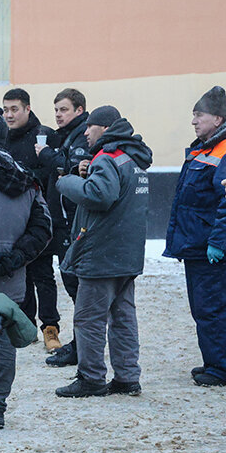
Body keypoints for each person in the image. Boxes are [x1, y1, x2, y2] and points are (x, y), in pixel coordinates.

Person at [54, 105, 151, 398]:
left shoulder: (107, 157)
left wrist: (65, 180)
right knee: (123, 317)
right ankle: (127, 377)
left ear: (105, 129)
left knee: (88, 318)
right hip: (127, 253)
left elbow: (99, 195)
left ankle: (91, 378)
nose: (85, 132)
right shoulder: (133, 158)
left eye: (90, 127)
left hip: (102, 253)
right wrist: (87, 171)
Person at [164, 86, 226, 388]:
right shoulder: (208, 147)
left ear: (217, 118)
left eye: (199, 115)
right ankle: (215, 363)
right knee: (205, 307)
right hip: (201, 245)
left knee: (215, 306)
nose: (194, 121)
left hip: (216, 248)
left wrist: (219, 242)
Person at [0, 109, 51, 429]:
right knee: (1, 343)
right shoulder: (27, 178)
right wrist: (15, 257)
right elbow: (43, 228)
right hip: (13, 278)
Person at [2, 88, 60, 352]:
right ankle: (25, 324)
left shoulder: (45, 136)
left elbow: (51, 173)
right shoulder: (2, 137)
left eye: (14, 109)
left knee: (43, 274)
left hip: (39, 217)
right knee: (20, 275)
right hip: (11, 218)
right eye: (5, 110)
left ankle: (50, 328)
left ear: (27, 109)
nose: (9, 115)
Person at [38, 88, 90, 367]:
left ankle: (84, 346)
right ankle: (80, 343)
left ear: (79, 110)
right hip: (63, 221)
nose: (58, 115)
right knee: (71, 282)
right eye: (56, 110)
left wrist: (48, 154)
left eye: (64, 110)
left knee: (75, 283)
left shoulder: (82, 135)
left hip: (73, 223)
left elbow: (70, 168)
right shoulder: (70, 134)